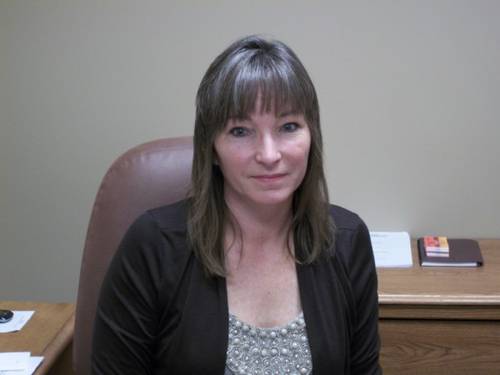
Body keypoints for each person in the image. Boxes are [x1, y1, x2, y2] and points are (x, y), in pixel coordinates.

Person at [91, 35, 381, 375]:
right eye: (241, 131)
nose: (269, 154)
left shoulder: (346, 241)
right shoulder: (153, 246)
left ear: (311, 136)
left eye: (288, 127)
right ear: (212, 148)